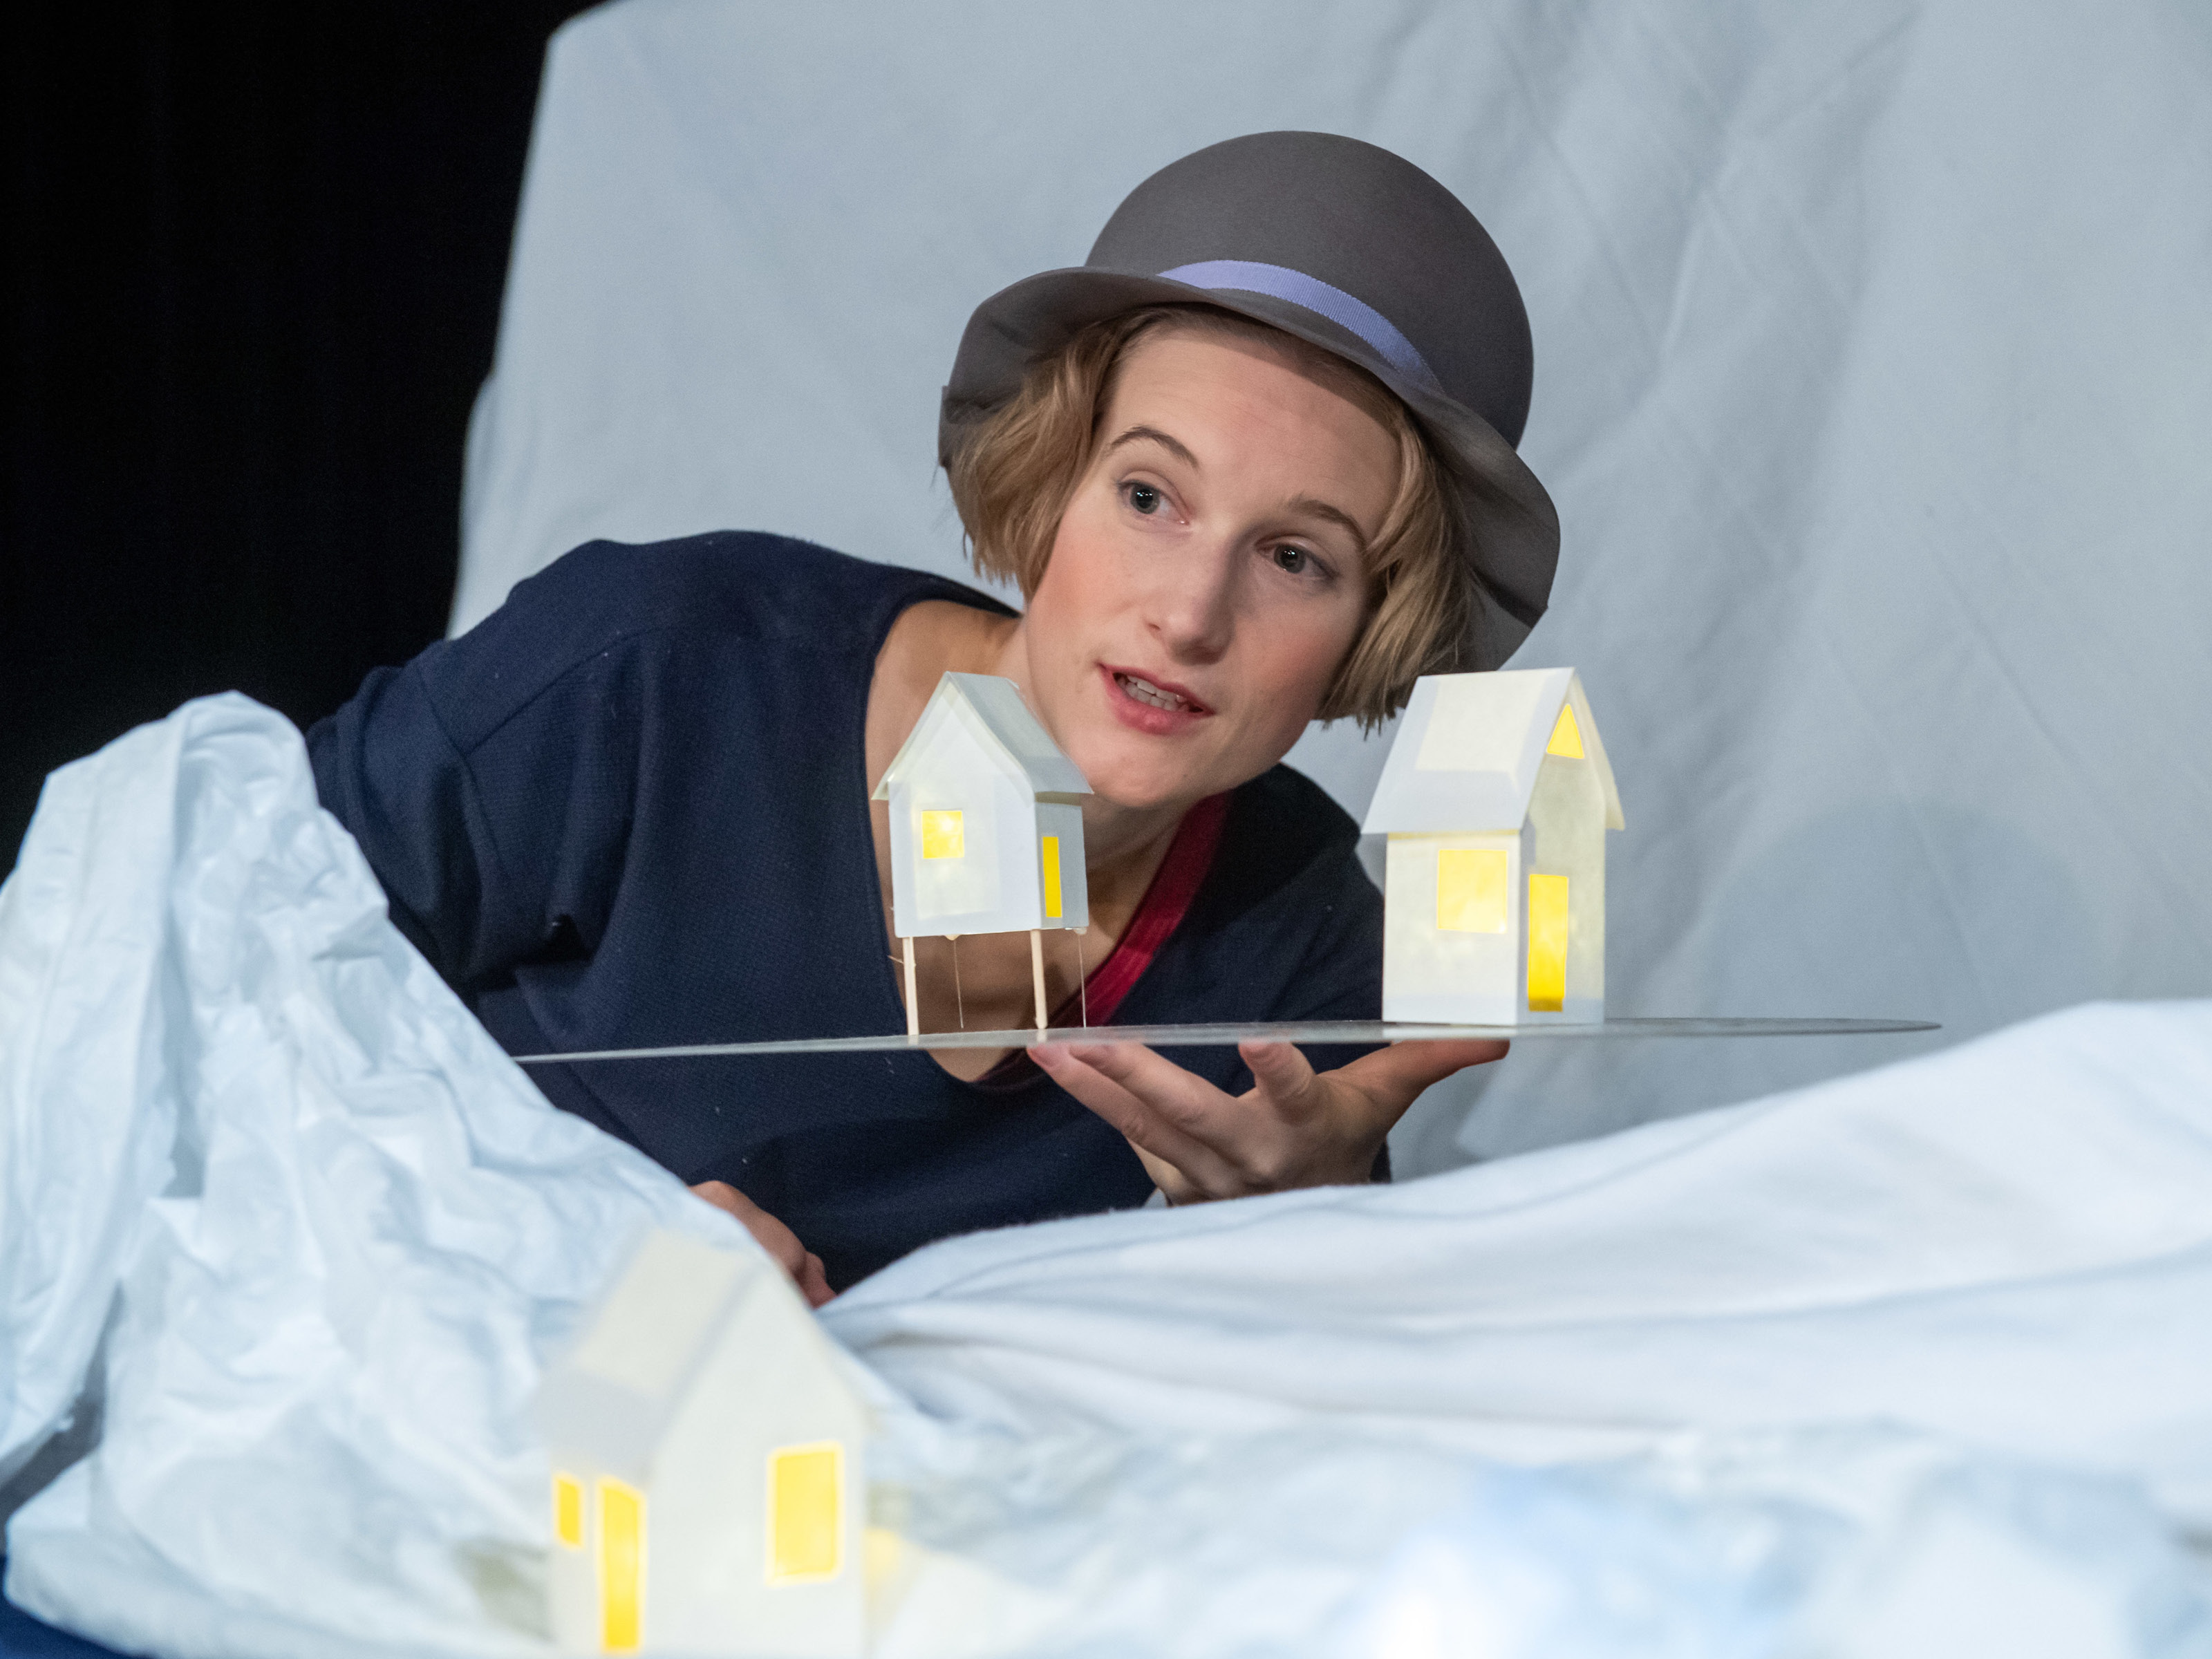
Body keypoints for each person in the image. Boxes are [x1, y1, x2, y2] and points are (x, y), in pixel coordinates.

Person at [306, 132, 1561, 1300]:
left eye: (1296, 558)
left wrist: (1309, 1228)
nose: (1189, 615)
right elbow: (209, 969)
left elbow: (1255, 1447)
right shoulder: (656, 669)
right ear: (1050, 478)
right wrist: (573, 1243)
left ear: (1373, 628)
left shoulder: (1305, 948)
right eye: (1147, 495)